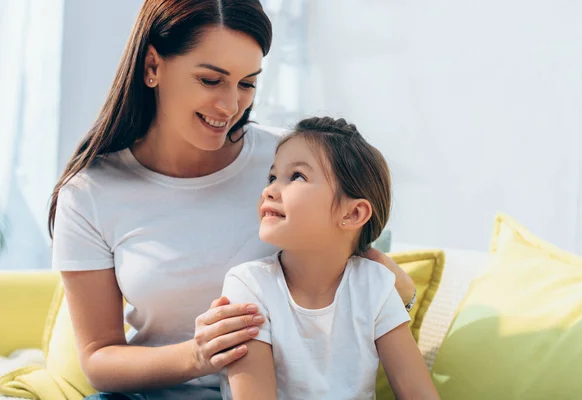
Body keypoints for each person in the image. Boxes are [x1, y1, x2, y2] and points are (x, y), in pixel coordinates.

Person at [48, 1, 416, 399]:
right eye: (210, 80)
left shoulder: (291, 163)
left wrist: (401, 296)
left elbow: (353, 265)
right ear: (153, 67)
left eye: (247, 83)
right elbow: (99, 357)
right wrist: (197, 355)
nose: (230, 106)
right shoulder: (90, 193)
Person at [220, 117, 439, 400]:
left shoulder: (375, 285)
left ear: (353, 214)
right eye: (272, 177)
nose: (269, 190)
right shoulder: (249, 285)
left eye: (296, 176)